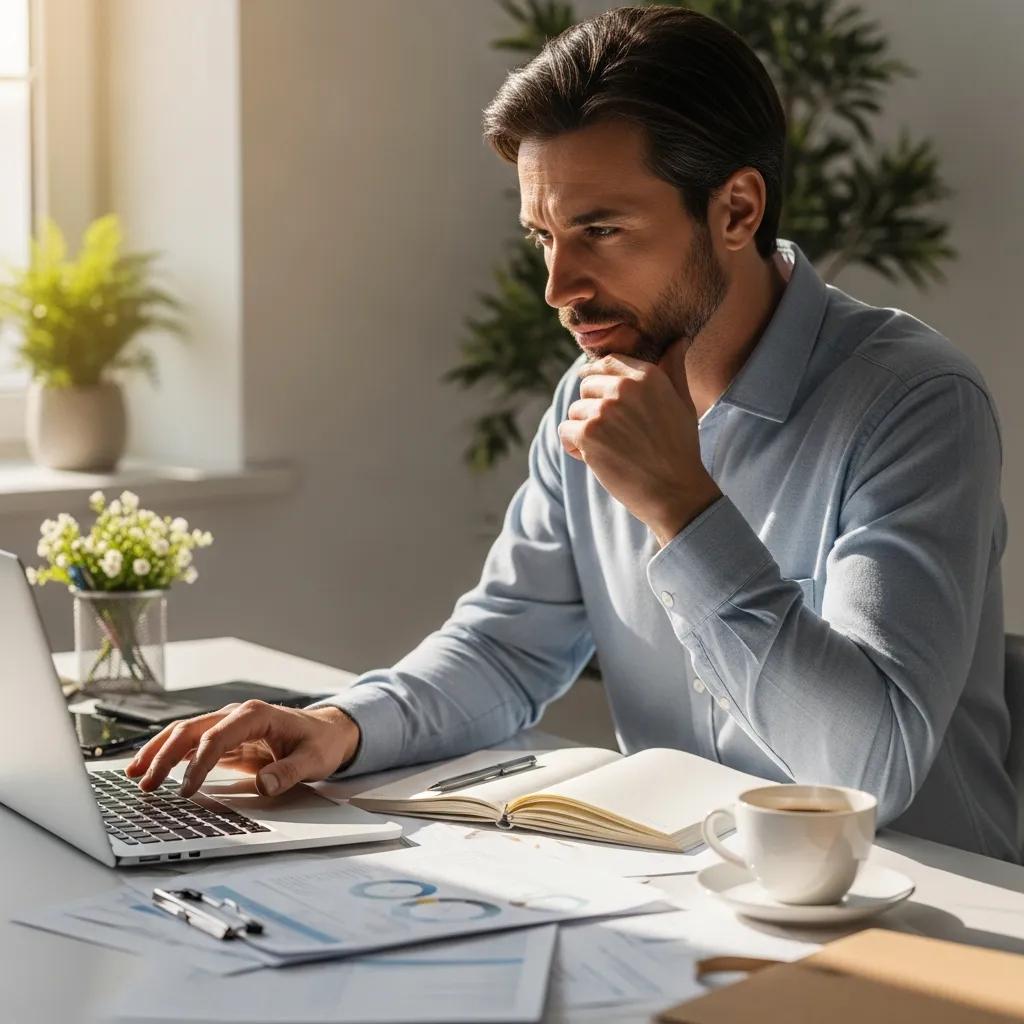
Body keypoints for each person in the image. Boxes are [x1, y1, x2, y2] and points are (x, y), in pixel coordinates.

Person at [126, 6, 1019, 862]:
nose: (560, 288)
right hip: (688, 889)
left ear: (738, 211)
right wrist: (337, 727)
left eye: (602, 229)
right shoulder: (586, 399)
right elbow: (507, 648)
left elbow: (867, 768)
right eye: (543, 237)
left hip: (930, 909)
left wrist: (684, 511)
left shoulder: (912, 402)